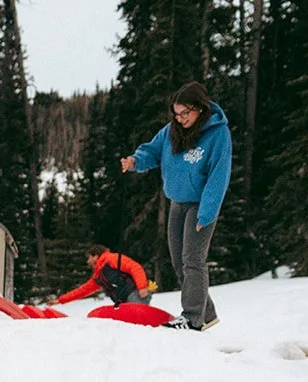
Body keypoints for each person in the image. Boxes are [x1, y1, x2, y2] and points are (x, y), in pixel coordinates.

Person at [120, 81, 231, 331]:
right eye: (176, 114)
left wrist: (207, 212)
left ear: (200, 109)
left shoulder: (217, 134)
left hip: (201, 206)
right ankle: (208, 314)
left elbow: (219, 175)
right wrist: (136, 161)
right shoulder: (171, 130)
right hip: (177, 204)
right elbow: (153, 151)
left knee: (193, 260)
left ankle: (192, 319)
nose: (180, 119)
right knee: (179, 263)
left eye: (185, 113)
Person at [46, 245, 152, 307]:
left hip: (135, 294)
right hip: (124, 302)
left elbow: (135, 267)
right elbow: (82, 290)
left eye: (89, 258)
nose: (88, 262)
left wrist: (142, 287)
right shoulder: (99, 275)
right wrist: (60, 300)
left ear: (96, 256)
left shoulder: (112, 259)